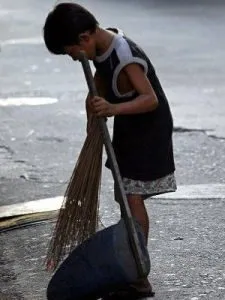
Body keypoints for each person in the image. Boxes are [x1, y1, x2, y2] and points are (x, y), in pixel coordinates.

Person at [43, 2, 177, 299]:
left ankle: (139, 274)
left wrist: (113, 108)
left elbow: (149, 99)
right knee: (125, 195)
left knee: (131, 198)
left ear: (83, 39)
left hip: (148, 132)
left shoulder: (125, 54)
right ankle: (132, 261)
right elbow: (103, 80)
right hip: (130, 130)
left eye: (70, 53)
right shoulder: (100, 48)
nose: (73, 59)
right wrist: (94, 106)